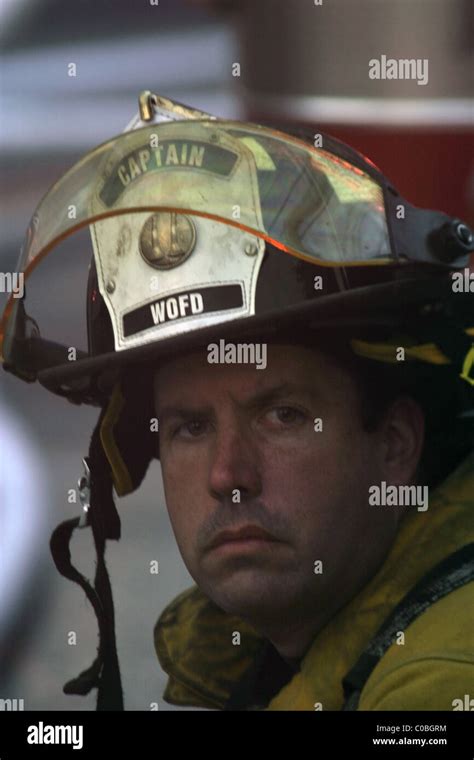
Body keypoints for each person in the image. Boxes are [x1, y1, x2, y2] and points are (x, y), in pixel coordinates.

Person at [1, 91, 473, 711]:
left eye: (283, 416)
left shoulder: (438, 684)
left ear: (394, 445)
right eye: (190, 427)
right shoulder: (273, 659)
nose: (229, 475)